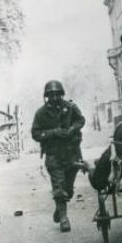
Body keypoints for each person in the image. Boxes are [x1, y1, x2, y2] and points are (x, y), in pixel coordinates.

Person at [31, 80, 85, 233]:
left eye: (57, 94)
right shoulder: (41, 113)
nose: (54, 98)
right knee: (59, 187)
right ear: (46, 96)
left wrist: (72, 129)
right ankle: (63, 218)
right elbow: (35, 133)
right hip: (54, 155)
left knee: (68, 190)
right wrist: (54, 132)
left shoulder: (70, 107)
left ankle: (59, 209)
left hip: (72, 154)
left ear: (61, 94)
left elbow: (81, 120)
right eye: (51, 95)